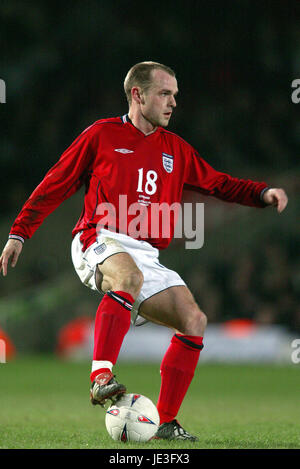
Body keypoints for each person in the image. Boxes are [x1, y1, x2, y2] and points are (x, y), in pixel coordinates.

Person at [0, 61, 288, 441]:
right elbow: (55, 183)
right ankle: (100, 375)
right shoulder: (101, 135)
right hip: (98, 236)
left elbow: (218, 183)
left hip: (146, 253)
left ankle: (165, 421)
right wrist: (19, 232)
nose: (172, 103)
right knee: (128, 276)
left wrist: (259, 193)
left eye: (175, 96)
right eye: (165, 94)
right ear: (138, 94)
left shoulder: (176, 149)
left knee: (193, 320)